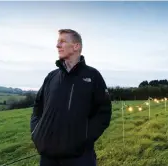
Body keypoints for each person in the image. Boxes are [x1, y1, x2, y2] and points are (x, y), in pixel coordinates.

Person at [30, 29, 112, 166]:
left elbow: (103, 112)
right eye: (57, 42)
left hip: (80, 157)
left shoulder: (93, 76)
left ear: (76, 46)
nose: (57, 46)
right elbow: (38, 107)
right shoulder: (51, 77)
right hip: (48, 157)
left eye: (62, 41)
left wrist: (84, 138)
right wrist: (35, 132)